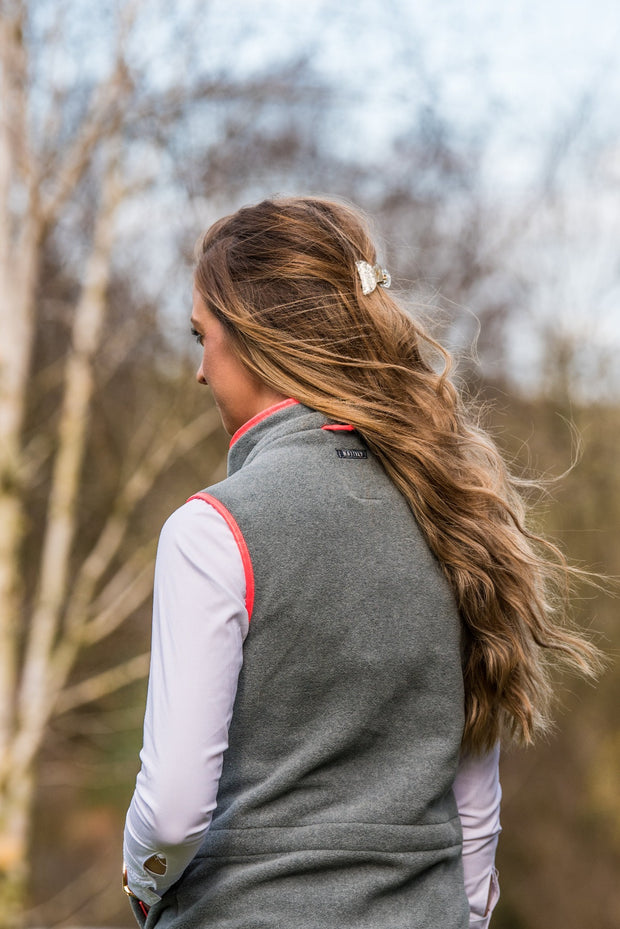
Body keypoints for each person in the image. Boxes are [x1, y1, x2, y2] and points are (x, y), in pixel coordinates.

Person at [122, 196, 600, 928]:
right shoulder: (454, 515)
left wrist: (145, 885)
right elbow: (473, 812)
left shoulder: (211, 531)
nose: (198, 371)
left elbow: (175, 807)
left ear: (252, 340)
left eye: (202, 337)